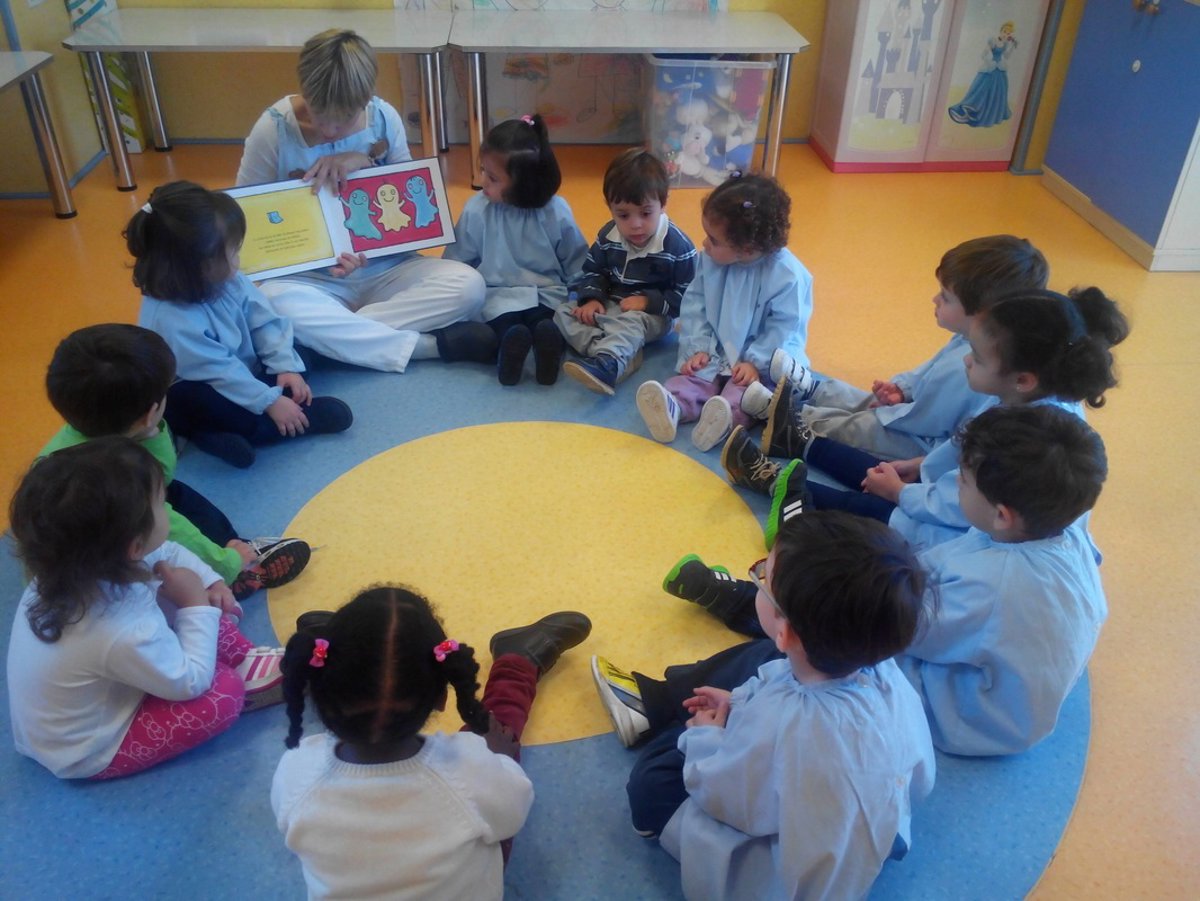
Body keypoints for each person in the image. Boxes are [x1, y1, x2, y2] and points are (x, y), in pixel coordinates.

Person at [670, 405, 1109, 756]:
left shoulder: (995, 587)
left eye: (963, 481)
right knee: (872, 565)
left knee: (827, 634)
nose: (955, 485)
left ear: (1002, 514)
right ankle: (768, 584)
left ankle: (741, 604)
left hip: (967, 712)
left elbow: (889, 624)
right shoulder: (1054, 527)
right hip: (989, 670)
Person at [590, 512, 935, 900]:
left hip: (782, 876)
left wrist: (706, 736)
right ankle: (664, 703)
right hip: (874, 831)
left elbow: (723, 794)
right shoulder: (881, 667)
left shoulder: (786, 723)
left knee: (653, 780)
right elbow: (919, 778)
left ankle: (657, 714)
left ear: (785, 631)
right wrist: (739, 700)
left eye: (762, 578)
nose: (757, 578)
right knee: (771, 662)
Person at [722, 286, 1129, 550]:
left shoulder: (1031, 439)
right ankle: (800, 442)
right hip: (963, 499)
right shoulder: (1026, 398)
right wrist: (918, 467)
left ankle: (772, 482)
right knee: (881, 470)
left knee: (878, 510)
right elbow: (961, 452)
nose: (967, 360)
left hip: (967, 532)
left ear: (1023, 378)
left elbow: (955, 507)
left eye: (978, 358)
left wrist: (900, 494)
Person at [272, 588, 591, 900]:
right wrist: (498, 758)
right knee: (496, 725)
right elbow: (512, 815)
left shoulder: (296, 770)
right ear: (442, 696)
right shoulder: (469, 770)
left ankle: (359, 659)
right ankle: (517, 661)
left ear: (320, 688)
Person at [6, 438, 286, 780]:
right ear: (134, 546)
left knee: (185, 592)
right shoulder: (120, 629)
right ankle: (237, 674)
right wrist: (195, 603)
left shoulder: (72, 567)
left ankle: (242, 658)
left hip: (105, 687)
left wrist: (211, 582)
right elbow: (187, 683)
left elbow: (167, 552)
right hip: (88, 748)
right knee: (222, 693)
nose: (166, 507)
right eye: (161, 504)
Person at [237, 28, 488, 374]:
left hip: (387, 269)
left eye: (343, 120)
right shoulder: (273, 129)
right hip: (310, 280)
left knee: (470, 286)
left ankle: (328, 341)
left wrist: (364, 162)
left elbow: (412, 215)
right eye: (319, 115)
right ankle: (427, 347)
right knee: (270, 301)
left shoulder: (383, 118)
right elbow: (244, 222)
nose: (329, 131)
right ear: (304, 89)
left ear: (367, 98)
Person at [40, 323, 310, 600]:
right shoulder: (128, 485)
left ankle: (228, 548)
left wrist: (147, 431)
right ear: (150, 414)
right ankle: (227, 571)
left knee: (174, 492)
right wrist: (226, 563)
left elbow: (163, 479)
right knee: (172, 511)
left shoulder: (82, 428)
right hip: (109, 569)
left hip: (80, 547)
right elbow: (176, 529)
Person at [129, 181, 354, 469]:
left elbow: (263, 320)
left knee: (297, 352)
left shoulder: (225, 278)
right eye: (233, 251)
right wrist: (269, 402)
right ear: (199, 265)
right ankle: (277, 424)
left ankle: (217, 431)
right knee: (203, 404)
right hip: (202, 385)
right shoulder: (172, 319)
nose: (238, 259)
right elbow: (218, 371)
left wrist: (284, 366)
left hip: (241, 369)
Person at [768, 234, 1048, 460]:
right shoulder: (970, 337)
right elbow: (926, 374)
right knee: (866, 402)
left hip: (927, 444)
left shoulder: (967, 363)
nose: (935, 300)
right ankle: (814, 390)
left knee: (860, 428)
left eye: (946, 298)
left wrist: (889, 411)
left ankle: (795, 418)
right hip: (918, 415)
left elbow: (923, 420)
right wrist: (903, 389)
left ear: (982, 314)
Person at [635, 173, 812, 451]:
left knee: (748, 392)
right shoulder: (711, 260)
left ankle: (724, 419)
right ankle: (674, 405)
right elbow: (695, 305)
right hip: (717, 345)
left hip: (763, 355)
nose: (705, 244)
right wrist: (699, 347)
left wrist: (755, 362)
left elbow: (784, 327)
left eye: (713, 240)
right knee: (696, 375)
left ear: (747, 248)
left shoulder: (787, 275)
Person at [441, 114, 588, 385]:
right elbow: (457, 263)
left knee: (548, 323)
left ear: (524, 183)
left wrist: (586, 297)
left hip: (533, 297)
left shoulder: (554, 211)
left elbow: (578, 262)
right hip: (510, 297)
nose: (483, 181)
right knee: (514, 326)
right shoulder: (478, 208)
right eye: (482, 170)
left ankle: (546, 350)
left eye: (493, 177)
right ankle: (518, 352)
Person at [554, 148, 697, 395]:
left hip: (652, 315)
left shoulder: (678, 247)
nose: (635, 224)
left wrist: (647, 301)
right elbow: (593, 270)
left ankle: (609, 364)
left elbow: (688, 298)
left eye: (646, 213)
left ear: (663, 203)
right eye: (623, 215)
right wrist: (592, 299)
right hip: (612, 306)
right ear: (609, 207)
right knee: (563, 312)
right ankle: (618, 355)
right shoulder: (607, 236)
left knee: (631, 322)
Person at [948, 21, 1018, 129]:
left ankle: (991, 115)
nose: (1005, 34)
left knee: (998, 92)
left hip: (999, 70)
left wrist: (1012, 46)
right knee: (982, 90)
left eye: (1008, 33)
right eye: (1004, 31)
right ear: (1001, 31)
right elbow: (983, 55)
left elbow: (1007, 56)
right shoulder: (993, 41)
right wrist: (990, 63)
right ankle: (971, 110)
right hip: (991, 67)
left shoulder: (1006, 43)